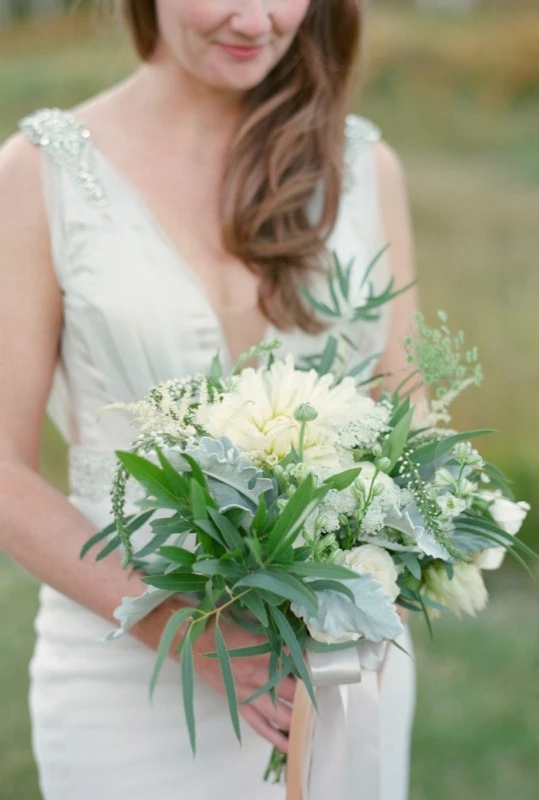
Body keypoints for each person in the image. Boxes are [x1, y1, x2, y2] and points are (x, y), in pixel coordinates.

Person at [0, 2, 418, 798]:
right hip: (126, 674)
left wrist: (384, 585)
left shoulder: (363, 165)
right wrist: (188, 632)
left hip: (337, 667)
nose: (256, 20)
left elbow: (408, 414)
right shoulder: (37, 175)